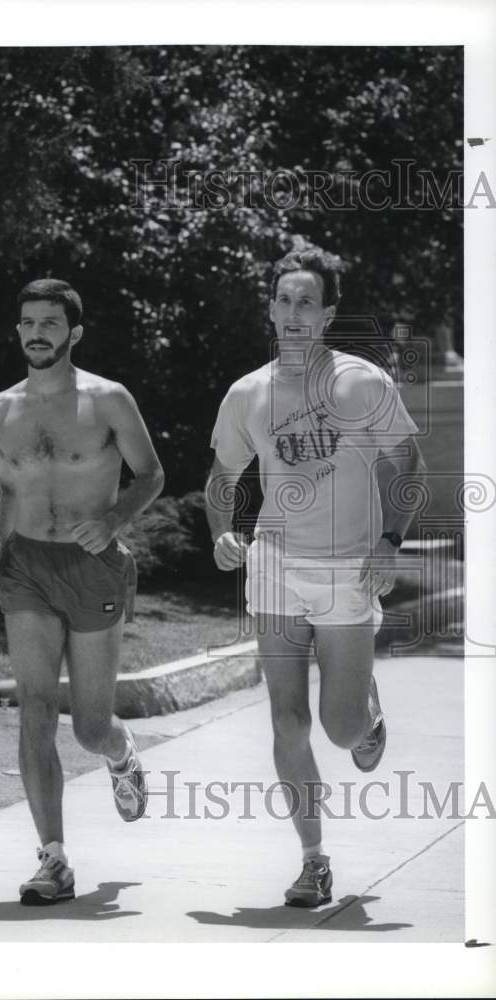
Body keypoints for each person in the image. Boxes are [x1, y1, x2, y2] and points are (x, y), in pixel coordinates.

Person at [205, 248, 426, 907]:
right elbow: (222, 477)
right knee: (287, 721)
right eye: (284, 302)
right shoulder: (248, 393)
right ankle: (313, 861)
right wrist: (222, 528)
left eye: (308, 303)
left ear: (327, 313)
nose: (294, 314)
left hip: (347, 570)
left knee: (340, 729)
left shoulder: (363, 384)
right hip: (274, 564)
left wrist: (391, 541)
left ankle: (368, 714)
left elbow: (408, 465)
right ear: (270, 309)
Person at [0, 278, 164, 905]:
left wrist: (112, 521)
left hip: (93, 566)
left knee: (86, 726)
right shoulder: (1, 408)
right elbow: (6, 490)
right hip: (26, 566)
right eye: (28, 322)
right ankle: (52, 858)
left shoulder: (108, 401)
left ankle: (120, 749)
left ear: (73, 333)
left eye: (50, 323)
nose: (36, 333)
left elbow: (152, 474)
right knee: (32, 706)